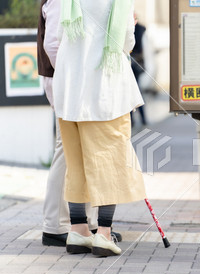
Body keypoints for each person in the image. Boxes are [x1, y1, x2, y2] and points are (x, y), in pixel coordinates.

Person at [53, 0, 146, 256]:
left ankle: (78, 230)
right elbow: (126, 42)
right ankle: (103, 234)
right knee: (110, 164)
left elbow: (59, 36)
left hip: (70, 91)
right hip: (104, 92)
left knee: (77, 163)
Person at [37, 0, 122, 247]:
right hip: (68, 81)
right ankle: (58, 225)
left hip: (76, 80)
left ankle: (85, 225)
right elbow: (53, 43)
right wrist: (71, 77)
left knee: (80, 150)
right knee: (67, 149)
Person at [130, 21, 147, 127]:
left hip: (131, 63)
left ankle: (132, 120)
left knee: (130, 91)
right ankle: (143, 119)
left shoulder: (135, 28)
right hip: (138, 62)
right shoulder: (142, 28)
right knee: (136, 91)